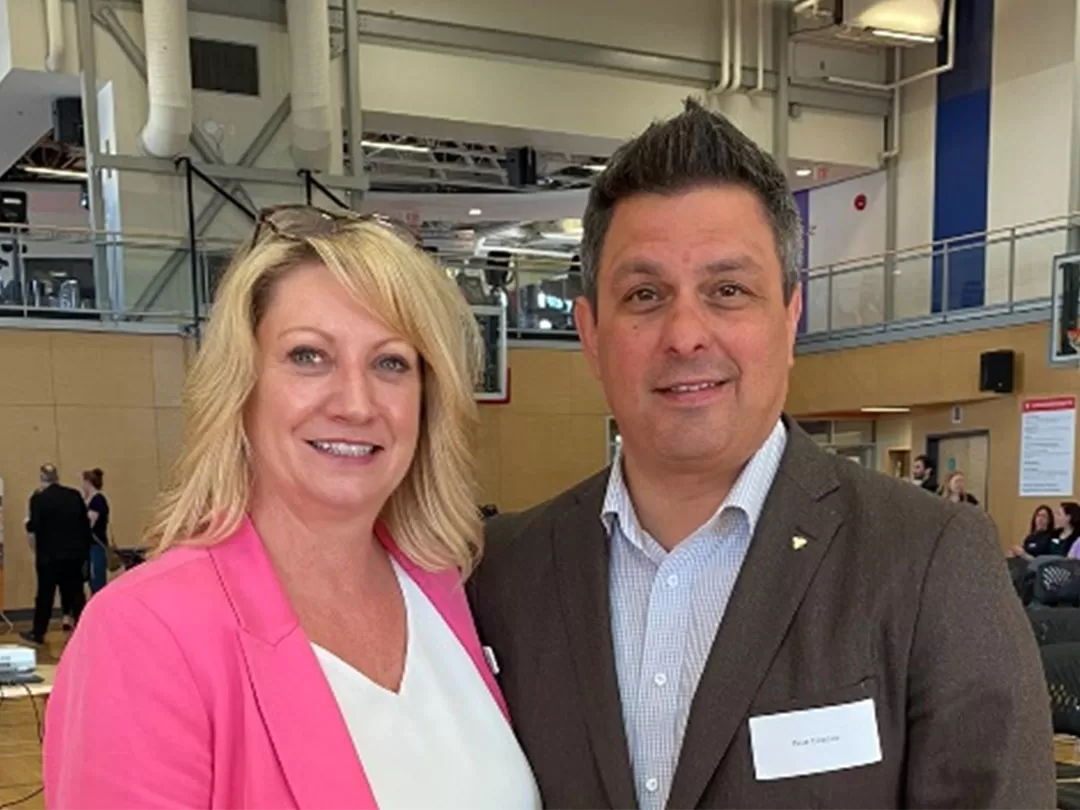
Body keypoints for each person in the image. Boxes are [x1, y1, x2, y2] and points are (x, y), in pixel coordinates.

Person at [468, 99, 1054, 809]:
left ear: (789, 318)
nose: (685, 333)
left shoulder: (928, 562)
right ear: (590, 332)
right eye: (645, 294)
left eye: (728, 290)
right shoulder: (503, 574)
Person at [44, 206, 540, 809]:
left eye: (390, 363)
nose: (356, 404)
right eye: (309, 356)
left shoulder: (444, 587)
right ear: (242, 385)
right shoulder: (144, 634)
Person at [20, 464, 92, 645]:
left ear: (42, 477)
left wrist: (27, 523)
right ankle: (85, 630)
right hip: (73, 556)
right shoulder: (74, 495)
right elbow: (84, 524)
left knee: (45, 595)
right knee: (76, 594)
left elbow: (34, 526)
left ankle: (38, 633)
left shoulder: (38, 499)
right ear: (57, 477)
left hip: (49, 557)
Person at [81, 468, 111, 594]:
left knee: (97, 580)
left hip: (96, 545)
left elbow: (89, 524)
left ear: (88, 482)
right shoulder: (89, 500)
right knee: (92, 580)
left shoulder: (97, 500)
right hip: (90, 546)